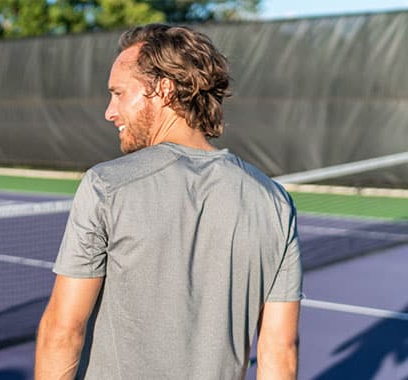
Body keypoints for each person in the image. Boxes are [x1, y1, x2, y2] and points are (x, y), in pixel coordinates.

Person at [35, 24, 302, 379]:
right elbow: (279, 352)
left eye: (118, 93)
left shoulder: (107, 186)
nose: (109, 111)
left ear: (162, 89)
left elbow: (64, 330)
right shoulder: (274, 202)